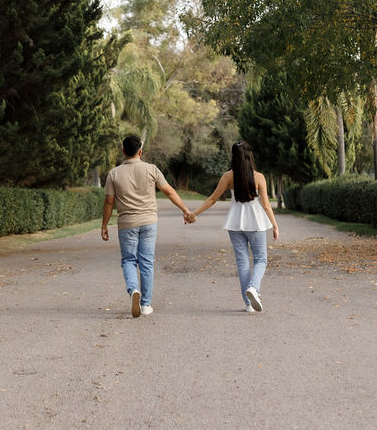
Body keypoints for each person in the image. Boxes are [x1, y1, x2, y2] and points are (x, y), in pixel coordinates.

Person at [102, 135, 192, 317]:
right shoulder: (152, 169)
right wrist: (185, 209)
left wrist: (104, 225)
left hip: (126, 223)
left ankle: (133, 289)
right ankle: (146, 304)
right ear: (140, 151)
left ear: (123, 151)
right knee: (147, 262)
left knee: (128, 260)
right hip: (149, 222)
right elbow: (169, 191)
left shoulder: (114, 173)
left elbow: (109, 202)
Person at [187, 141, 279, 313]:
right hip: (256, 223)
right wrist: (274, 225)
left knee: (242, 263)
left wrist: (194, 214)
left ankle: (249, 304)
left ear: (233, 157)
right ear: (249, 156)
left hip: (235, 224)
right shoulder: (259, 177)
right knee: (261, 259)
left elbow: (212, 199)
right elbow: (266, 205)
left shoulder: (228, 177)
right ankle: (254, 288)